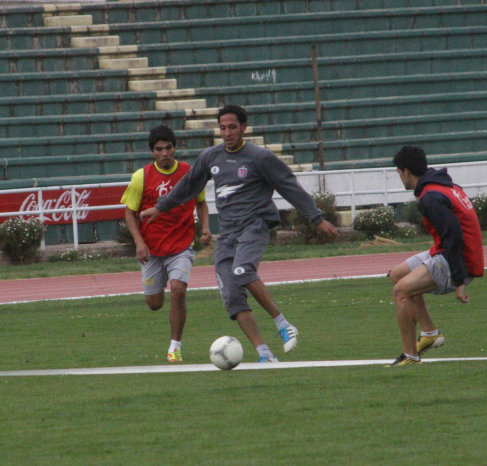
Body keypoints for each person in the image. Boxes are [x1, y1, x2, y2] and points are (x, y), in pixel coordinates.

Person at [140, 105, 339, 362]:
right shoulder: (211, 157)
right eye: (222, 128)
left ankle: (283, 324)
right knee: (232, 297)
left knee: (243, 271)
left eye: (232, 127)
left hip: (254, 227)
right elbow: (188, 186)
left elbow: (289, 186)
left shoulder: (259, 157)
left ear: (243, 127)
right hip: (228, 235)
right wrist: (160, 207)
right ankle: (265, 354)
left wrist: (317, 219)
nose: (227, 132)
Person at [120, 125, 212, 363]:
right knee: (154, 304)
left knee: (178, 290)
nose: (164, 153)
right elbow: (130, 213)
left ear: (174, 148)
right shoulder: (141, 177)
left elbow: (201, 203)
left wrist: (204, 227)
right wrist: (139, 242)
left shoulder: (189, 172)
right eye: (159, 149)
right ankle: (158, 292)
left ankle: (175, 347)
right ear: (152, 152)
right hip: (151, 249)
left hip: (181, 245)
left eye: (168, 148)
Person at [388, 146, 484, 366]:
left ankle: (410, 357)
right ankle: (430, 333)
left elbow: (454, 238)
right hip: (452, 251)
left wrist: (460, 281)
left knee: (401, 291)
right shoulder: (441, 185)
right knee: (397, 275)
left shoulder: (430, 197)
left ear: (405, 172)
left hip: (460, 259)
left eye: (398, 173)